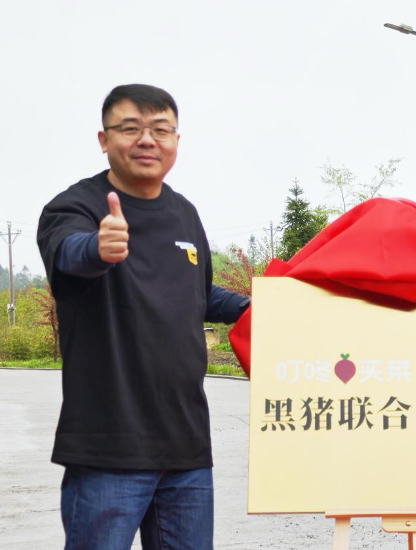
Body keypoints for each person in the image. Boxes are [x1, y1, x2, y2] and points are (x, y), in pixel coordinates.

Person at [37, 84, 249, 550]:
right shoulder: (74, 207)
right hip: (107, 449)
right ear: (103, 139)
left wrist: (254, 306)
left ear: (176, 139)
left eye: (160, 129)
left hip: (186, 447)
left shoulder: (184, 213)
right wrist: (97, 247)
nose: (147, 140)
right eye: (130, 128)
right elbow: (69, 254)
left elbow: (196, 292)